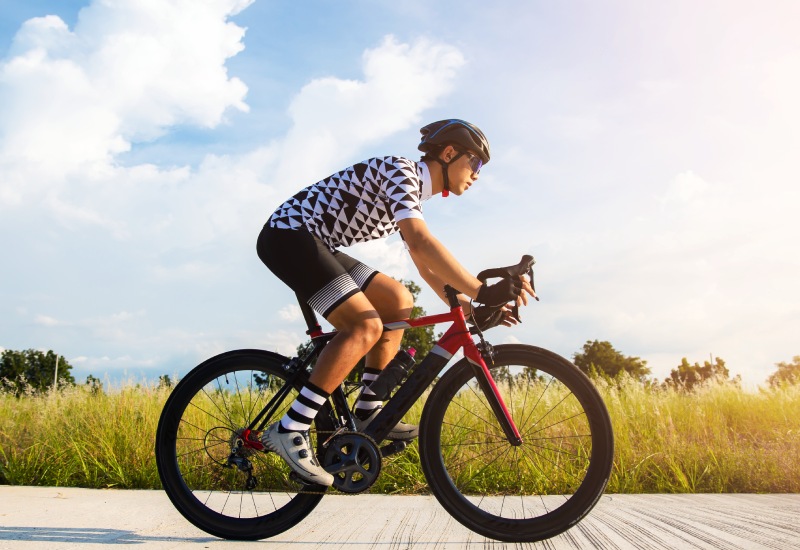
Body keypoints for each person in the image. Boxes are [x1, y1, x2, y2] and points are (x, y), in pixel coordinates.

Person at [256, 119, 536, 486]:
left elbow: (425, 266)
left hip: (315, 242)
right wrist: (483, 291)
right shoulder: (401, 171)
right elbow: (420, 242)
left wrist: (471, 310)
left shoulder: (413, 195)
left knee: (397, 300)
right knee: (365, 325)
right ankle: (291, 427)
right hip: (289, 237)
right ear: (449, 153)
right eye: (476, 163)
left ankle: (368, 409)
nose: (478, 174)